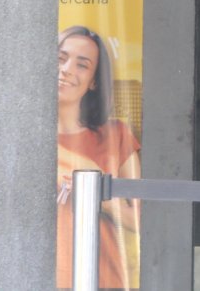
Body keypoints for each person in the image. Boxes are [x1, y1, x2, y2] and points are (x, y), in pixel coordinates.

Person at [56, 25, 141, 289]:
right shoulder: (24, 138)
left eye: (82, 65)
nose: (67, 69)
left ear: (94, 81)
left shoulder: (116, 135)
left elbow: (142, 219)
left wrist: (94, 195)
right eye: (60, 58)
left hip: (104, 279)